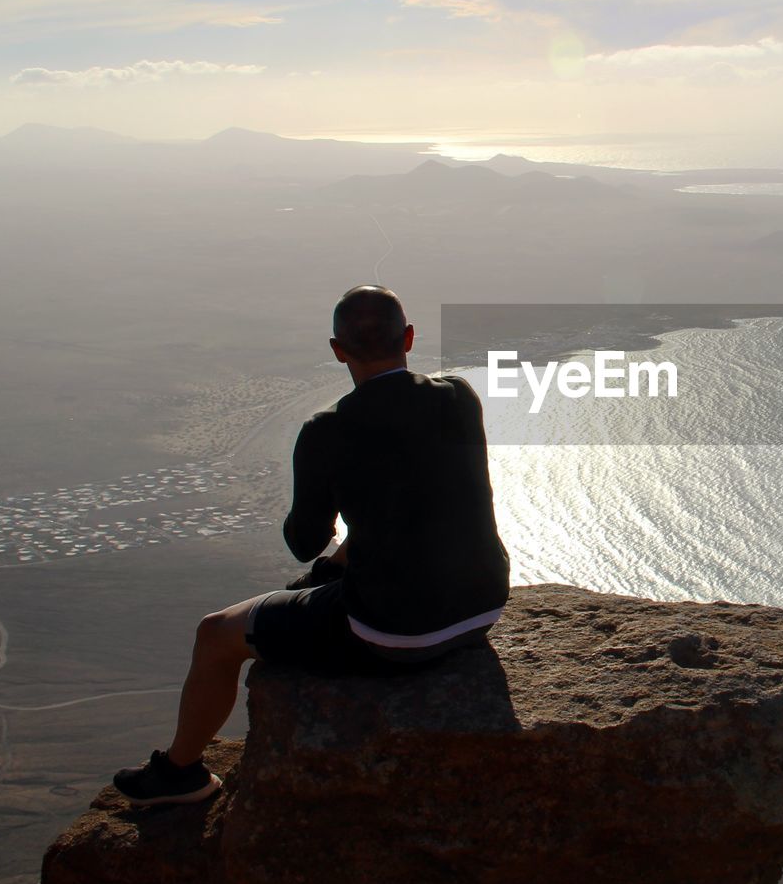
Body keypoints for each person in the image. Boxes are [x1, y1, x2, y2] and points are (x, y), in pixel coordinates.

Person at [113, 285, 510, 805]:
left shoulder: (328, 429)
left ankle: (179, 774)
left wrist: (319, 519)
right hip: (482, 609)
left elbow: (304, 542)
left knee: (215, 636)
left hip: (391, 633)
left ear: (337, 349)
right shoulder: (459, 396)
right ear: (409, 338)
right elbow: (413, 507)